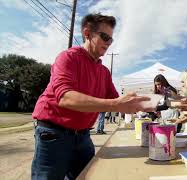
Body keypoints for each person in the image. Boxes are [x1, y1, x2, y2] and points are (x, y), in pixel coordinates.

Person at [31, 13, 152, 180]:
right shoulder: (68, 57)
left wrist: (149, 103)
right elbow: (65, 97)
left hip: (83, 136)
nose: (108, 43)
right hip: (54, 133)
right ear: (87, 34)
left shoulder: (103, 71)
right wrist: (115, 104)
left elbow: (118, 101)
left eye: (111, 39)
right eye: (104, 37)